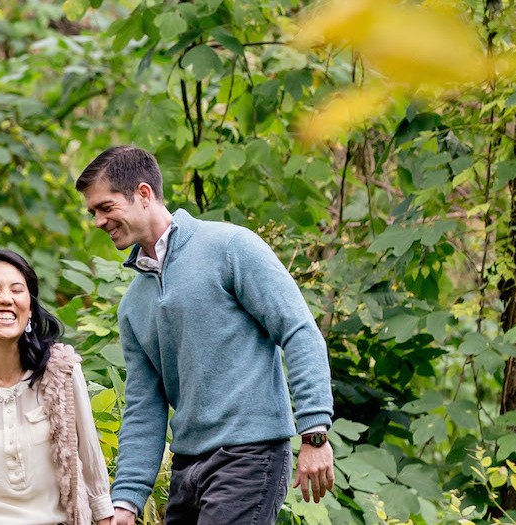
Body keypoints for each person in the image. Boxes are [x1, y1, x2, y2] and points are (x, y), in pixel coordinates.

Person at [77, 146, 335, 524]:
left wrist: (314, 433)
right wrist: (127, 501)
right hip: (187, 468)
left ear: (144, 194)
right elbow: (143, 405)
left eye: (106, 207)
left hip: (249, 456)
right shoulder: (133, 304)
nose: (98, 221)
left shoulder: (230, 247)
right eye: (92, 212)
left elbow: (298, 331)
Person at [0, 249, 117, 525]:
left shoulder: (60, 371)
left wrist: (104, 515)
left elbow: (92, 469)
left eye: (17, 290)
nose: (6, 299)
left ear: (29, 306)